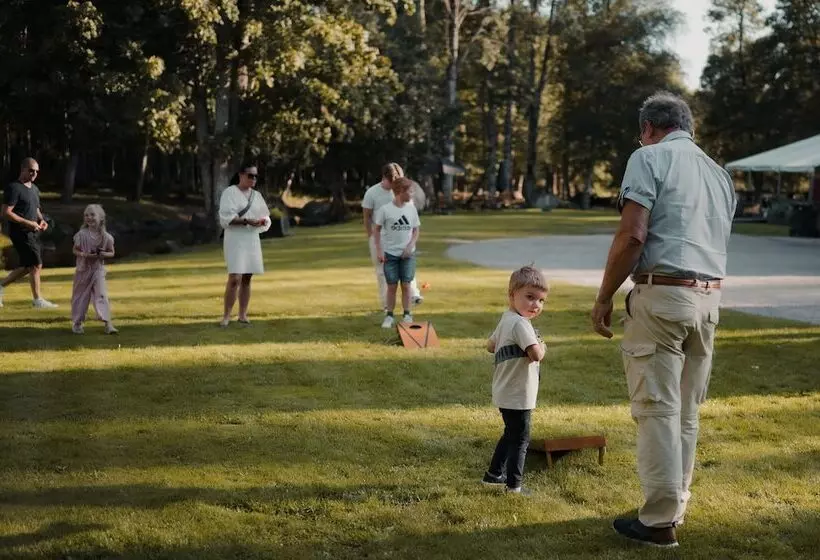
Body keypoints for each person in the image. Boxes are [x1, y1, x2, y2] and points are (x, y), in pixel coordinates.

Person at [591, 92, 736, 548]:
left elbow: (633, 235)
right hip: (709, 300)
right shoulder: (719, 174)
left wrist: (604, 297)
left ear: (649, 128)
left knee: (657, 411)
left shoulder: (648, 157)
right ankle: (674, 508)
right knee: (686, 414)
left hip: (663, 295)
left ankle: (657, 521)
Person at [483, 265, 548, 495]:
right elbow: (536, 355)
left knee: (510, 433)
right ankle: (514, 486)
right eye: (530, 297)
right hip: (519, 393)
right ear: (512, 295)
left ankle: (493, 475)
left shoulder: (507, 319)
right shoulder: (521, 324)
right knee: (520, 440)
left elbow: (490, 346)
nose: (536, 305)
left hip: (505, 390)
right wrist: (541, 345)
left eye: (541, 300)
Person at [362, 163, 423, 313]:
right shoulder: (372, 193)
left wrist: (410, 238)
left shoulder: (402, 190)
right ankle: (386, 304)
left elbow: (410, 213)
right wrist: (372, 238)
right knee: (382, 272)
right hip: (381, 238)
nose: (395, 185)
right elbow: (367, 217)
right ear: (384, 178)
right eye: (392, 181)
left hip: (402, 236)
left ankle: (413, 295)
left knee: (407, 266)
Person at [218, 162, 271, 327]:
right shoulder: (230, 193)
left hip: (251, 238)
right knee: (235, 277)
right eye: (250, 175)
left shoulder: (257, 195)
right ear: (241, 175)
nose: (253, 178)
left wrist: (263, 221)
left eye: (256, 176)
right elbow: (226, 218)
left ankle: (242, 314)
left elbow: (265, 215)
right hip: (235, 238)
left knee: (247, 277)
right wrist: (247, 221)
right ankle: (226, 316)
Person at [0, 157, 58, 308]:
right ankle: (37, 300)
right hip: (20, 232)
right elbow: (6, 212)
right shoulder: (14, 188)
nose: (34, 174)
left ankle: (1, 286)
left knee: (29, 265)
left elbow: (36, 208)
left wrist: (41, 220)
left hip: (33, 231)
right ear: (23, 169)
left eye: (36, 171)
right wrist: (28, 223)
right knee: (36, 263)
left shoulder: (35, 189)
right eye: (31, 171)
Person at [373, 177, 420, 328]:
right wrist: (379, 251)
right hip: (390, 255)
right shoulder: (385, 210)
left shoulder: (411, 209)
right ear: (400, 191)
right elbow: (376, 230)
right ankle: (389, 316)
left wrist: (410, 246)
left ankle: (407, 314)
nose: (412, 194)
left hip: (408, 255)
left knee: (406, 285)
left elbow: (416, 230)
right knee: (391, 286)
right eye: (410, 191)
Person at [71, 204, 117, 334]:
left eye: (92, 215)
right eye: (86, 215)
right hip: (82, 270)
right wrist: (84, 254)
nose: (89, 217)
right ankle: (77, 323)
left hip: (98, 270)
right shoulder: (81, 235)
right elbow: (75, 250)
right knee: (80, 297)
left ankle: (108, 324)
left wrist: (103, 254)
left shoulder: (106, 237)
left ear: (101, 217)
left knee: (101, 294)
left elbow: (111, 252)